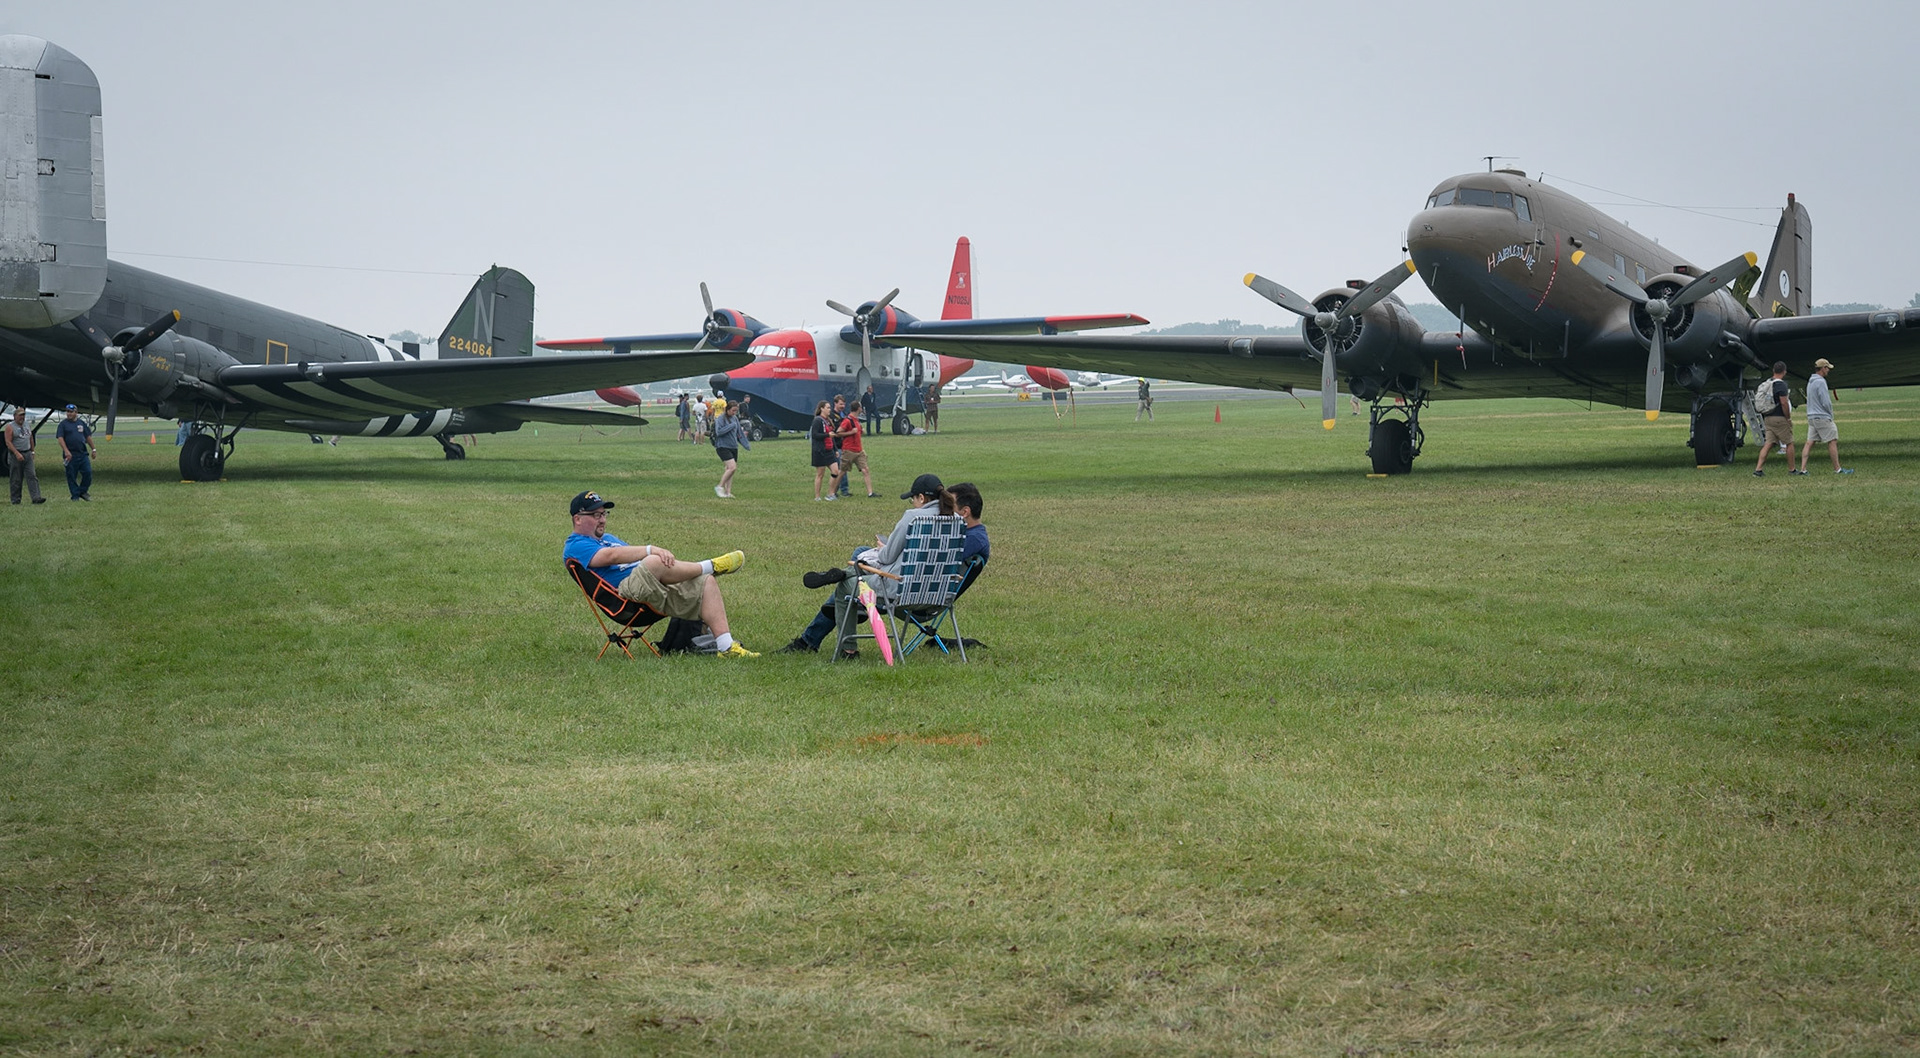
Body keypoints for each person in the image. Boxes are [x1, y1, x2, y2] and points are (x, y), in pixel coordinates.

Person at [779, 473, 962, 656]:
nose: (913, 503)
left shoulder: (913, 517)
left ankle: (848, 650)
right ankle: (847, 575)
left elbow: (887, 557)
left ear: (921, 498)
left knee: (846, 586)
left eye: (913, 499)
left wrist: (884, 547)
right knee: (860, 562)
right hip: (940, 594)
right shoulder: (957, 521)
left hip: (900, 590)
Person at [562, 490, 757, 657]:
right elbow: (611, 556)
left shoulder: (608, 538)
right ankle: (710, 564)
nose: (603, 520)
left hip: (651, 590)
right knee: (653, 561)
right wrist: (650, 549)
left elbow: (631, 559)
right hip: (625, 597)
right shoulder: (575, 545)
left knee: (706, 582)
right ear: (577, 519)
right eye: (596, 515)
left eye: (604, 514)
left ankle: (726, 647)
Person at [1798, 357, 1852, 474]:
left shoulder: (1810, 382)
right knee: (1832, 440)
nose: (1828, 371)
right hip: (1822, 416)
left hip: (1811, 417)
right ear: (1823, 368)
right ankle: (1837, 469)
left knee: (1809, 442)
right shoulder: (1821, 382)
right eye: (1827, 368)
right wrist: (1830, 414)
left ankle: (1803, 469)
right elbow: (1825, 401)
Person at [1752, 362, 1796, 477]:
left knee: (1768, 443)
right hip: (1779, 418)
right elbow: (1784, 403)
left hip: (1768, 417)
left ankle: (1758, 469)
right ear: (1784, 371)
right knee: (1789, 443)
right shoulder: (1781, 385)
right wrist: (1788, 418)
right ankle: (1792, 469)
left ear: (1773, 371)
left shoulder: (1767, 383)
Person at [835, 400, 876, 497]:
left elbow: (858, 431)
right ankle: (833, 491)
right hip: (849, 450)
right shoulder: (847, 420)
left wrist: (860, 431)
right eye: (861, 407)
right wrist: (851, 432)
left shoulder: (856, 420)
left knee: (865, 470)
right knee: (842, 472)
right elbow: (838, 432)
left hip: (859, 450)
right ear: (858, 408)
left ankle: (870, 493)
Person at [710, 398, 749, 498]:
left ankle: (728, 492)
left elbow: (739, 432)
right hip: (722, 446)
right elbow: (719, 432)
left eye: (736, 411)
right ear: (727, 409)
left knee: (730, 469)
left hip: (733, 446)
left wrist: (745, 443)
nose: (735, 413)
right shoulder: (721, 419)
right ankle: (719, 487)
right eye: (733, 411)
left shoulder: (735, 419)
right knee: (732, 467)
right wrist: (731, 426)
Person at [56, 404, 95, 500]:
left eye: (71, 412)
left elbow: (88, 437)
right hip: (70, 455)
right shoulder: (63, 425)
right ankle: (75, 496)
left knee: (87, 473)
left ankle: (82, 491)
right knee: (71, 476)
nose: (69, 414)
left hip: (82, 454)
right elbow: (60, 438)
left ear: (76, 413)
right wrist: (66, 451)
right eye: (67, 412)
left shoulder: (81, 423)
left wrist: (93, 449)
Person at [7, 407, 46, 504]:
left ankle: (36, 497)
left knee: (32, 475)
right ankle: (16, 500)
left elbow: (30, 438)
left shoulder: (27, 425)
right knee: (16, 478)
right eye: (20, 415)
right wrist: (17, 453)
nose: (22, 417)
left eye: (23, 415)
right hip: (16, 454)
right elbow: (8, 442)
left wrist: (32, 451)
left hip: (27, 453)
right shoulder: (10, 427)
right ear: (15, 416)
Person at [809, 400, 840, 501]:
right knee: (820, 474)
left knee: (836, 471)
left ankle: (830, 494)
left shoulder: (828, 421)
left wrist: (835, 449)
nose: (829, 410)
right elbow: (815, 435)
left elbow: (832, 437)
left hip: (829, 450)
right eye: (827, 408)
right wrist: (827, 435)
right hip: (820, 451)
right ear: (821, 408)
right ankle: (817, 496)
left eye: (830, 408)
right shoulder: (817, 420)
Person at [831, 394, 852, 496]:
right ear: (835, 403)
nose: (842, 406)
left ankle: (840, 489)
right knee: (840, 469)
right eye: (840, 404)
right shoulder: (831, 416)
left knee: (843, 469)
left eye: (843, 404)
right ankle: (840, 490)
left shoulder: (845, 415)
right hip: (836, 446)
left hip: (844, 446)